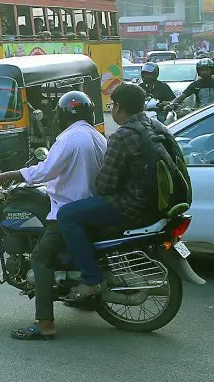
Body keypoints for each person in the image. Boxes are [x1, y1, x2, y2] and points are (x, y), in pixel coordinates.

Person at [0, 91, 107, 341]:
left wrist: (6, 176)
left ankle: (44, 324)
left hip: (67, 208)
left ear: (62, 115)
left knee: (40, 258)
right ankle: (81, 298)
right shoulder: (97, 136)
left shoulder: (69, 138)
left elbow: (45, 171)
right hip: (90, 205)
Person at [58, 84, 176, 302]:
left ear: (118, 107)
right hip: (155, 203)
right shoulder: (155, 125)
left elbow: (104, 185)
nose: (111, 109)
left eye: (112, 105)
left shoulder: (122, 135)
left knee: (67, 215)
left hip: (131, 205)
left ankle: (91, 279)